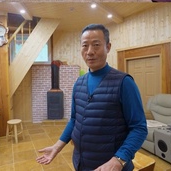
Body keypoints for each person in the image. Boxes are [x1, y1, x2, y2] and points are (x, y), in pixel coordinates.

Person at [36, 24, 147, 171]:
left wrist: (119, 160)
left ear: (108, 47)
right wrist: (57, 146)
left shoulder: (124, 82)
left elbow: (139, 128)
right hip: (81, 163)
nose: (90, 52)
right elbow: (75, 120)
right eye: (85, 46)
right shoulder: (79, 83)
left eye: (96, 45)